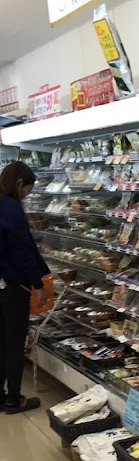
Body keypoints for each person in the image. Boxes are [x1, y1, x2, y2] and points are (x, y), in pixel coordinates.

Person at [0, 161, 49, 413]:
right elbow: (22, 249)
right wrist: (38, 283)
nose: (26, 196)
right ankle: (13, 399)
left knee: (1, 342)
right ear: (19, 183)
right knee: (14, 343)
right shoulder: (11, 208)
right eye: (27, 191)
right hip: (13, 286)